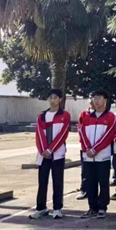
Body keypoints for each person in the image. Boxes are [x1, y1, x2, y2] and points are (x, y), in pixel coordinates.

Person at [29, 89, 71, 219]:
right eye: (51, 98)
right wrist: (44, 150)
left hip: (58, 154)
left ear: (60, 99)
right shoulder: (41, 116)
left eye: (55, 98)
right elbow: (39, 134)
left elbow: (63, 134)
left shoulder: (65, 115)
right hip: (43, 154)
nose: (53, 100)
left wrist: (51, 149)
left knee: (57, 181)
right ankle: (41, 208)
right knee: (42, 181)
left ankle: (58, 208)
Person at [79, 90, 116, 219]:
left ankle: (102, 207)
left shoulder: (110, 117)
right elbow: (81, 133)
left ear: (105, 100)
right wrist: (87, 149)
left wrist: (95, 149)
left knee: (103, 182)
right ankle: (92, 207)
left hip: (103, 156)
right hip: (88, 156)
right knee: (90, 182)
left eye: (99, 98)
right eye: (94, 98)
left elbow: (108, 136)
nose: (96, 101)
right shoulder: (86, 116)